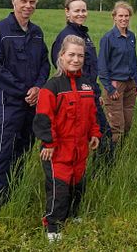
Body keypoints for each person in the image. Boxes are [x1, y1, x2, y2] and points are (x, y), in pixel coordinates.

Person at [0, 0, 50, 220]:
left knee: (23, 150)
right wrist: (24, 91)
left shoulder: (37, 32)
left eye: (32, 2)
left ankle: (11, 195)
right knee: (1, 151)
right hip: (8, 102)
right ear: (14, 2)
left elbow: (44, 63)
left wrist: (39, 87)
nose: (28, 6)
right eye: (24, 1)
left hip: (32, 103)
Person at [34, 35, 101, 243]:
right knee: (59, 189)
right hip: (58, 151)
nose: (76, 59)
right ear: (61, 56)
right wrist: (48, 143)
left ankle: (73, 214)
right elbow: (44, 117)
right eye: (71, 54)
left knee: (77, 184)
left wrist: (95, 134)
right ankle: (53, 226)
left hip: (80, 150)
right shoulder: (51, 86)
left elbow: (92, 114)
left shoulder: (87, 86)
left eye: (80, 55)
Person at [50, 0, 113, 164]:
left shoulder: (84, 35)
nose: (81, 14)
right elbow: (62, 68)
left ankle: (98, 176)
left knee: (98, 136)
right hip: (76, 97)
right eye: (76, 10)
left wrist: (96, 91)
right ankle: (94, 176)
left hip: (90, 93)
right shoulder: (66, 37)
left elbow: (90, 68)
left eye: (83, 10)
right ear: (67, 12)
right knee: (100, 137)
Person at [98, 1, 137, 146]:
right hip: (115, 85)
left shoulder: (132, 36)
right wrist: (109, 87)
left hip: (130, 85)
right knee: (117, 126)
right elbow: (102, 65)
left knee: (127, 123)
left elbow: (133, 61)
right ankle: (111, 156)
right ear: (114, 17)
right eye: (120, 15)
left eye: (127, 16)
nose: (124, 19)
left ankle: (122, 152)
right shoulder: (108, 38)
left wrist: (136, 82)